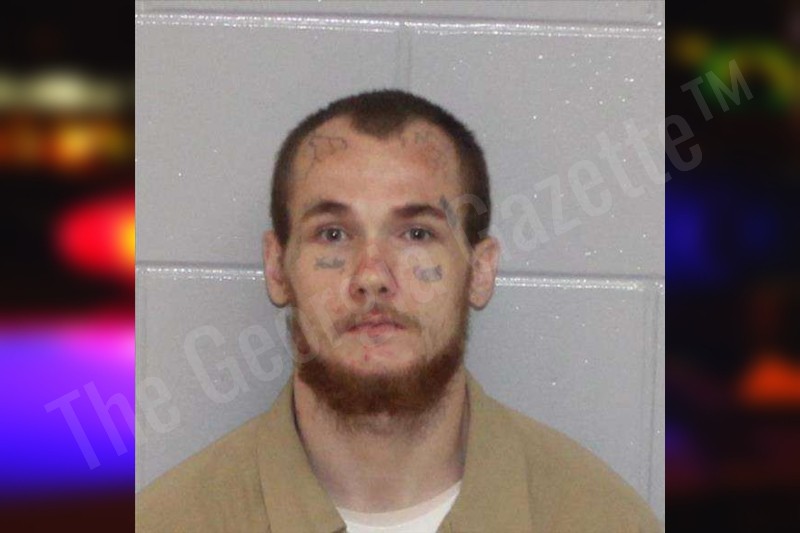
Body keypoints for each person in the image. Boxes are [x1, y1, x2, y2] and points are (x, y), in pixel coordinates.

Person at [136, 90, 660, 532]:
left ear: (480, 271)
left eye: (416, 234)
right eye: (332, 234)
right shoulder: (171, 520)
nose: (371, 276)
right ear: (277, 268)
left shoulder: (599, 519)